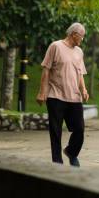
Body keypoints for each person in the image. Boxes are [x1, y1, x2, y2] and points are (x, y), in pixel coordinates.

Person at [36, 22, 89, 167]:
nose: (82, 39)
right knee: (55, 131)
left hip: (74, 96)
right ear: (74, 34)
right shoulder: (55, 46)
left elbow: (80, 73)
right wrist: (42, 92)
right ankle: (57, 162)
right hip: (55, 95)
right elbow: (46, 70)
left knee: (79, 129)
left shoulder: (79, 51)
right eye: (82, 36)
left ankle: (71, 152)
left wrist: (83, 89)